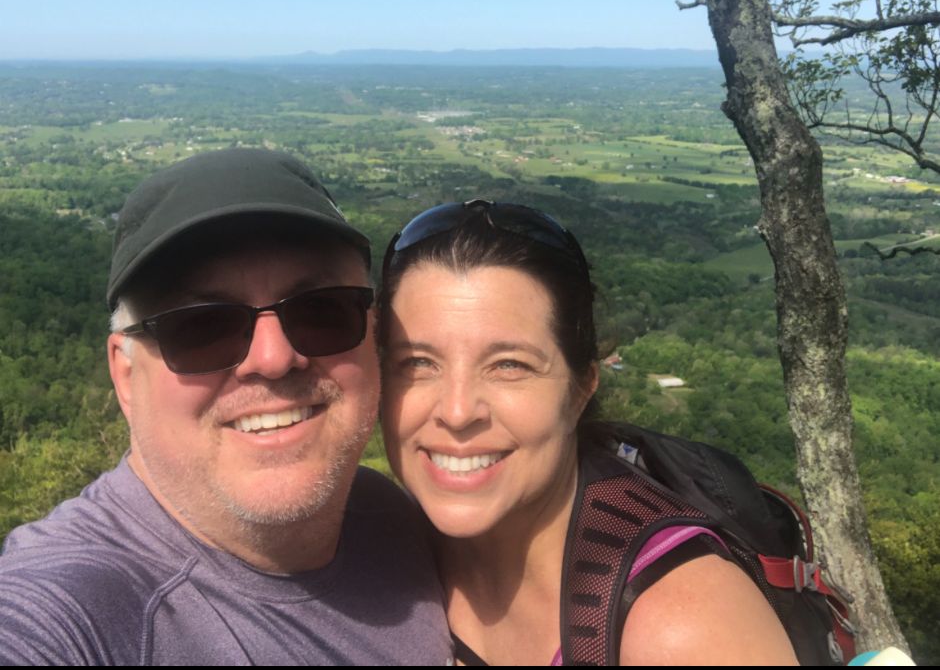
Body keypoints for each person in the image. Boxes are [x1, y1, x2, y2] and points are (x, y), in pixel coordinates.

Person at [0, 148, 451, 665]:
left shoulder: (392, 517)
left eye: (322, 311)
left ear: (372, 331)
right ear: (126, 375)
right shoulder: (78, 609)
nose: (274, 357)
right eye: (202, 327)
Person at [379, 199, 799, 666]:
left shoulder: (683, 626)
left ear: (581, 389)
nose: (457, 412)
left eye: (509, 365)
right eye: (417, 363)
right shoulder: (377, 542)